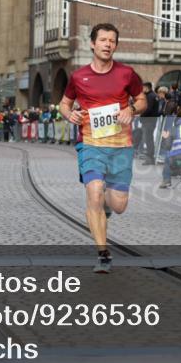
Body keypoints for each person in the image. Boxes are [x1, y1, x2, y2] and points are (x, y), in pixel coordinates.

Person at [59, 23, 146, 274]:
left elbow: (142, 100)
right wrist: (69, 115)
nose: (108, 44)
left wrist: (131, 109)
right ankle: (103, 253)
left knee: (118, 205)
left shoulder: (127, 74)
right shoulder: (78, 77)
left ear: (115, 45)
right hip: (91, 144)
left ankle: (106, 206)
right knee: (95, 190)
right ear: (92, 44)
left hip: (120, 146)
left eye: (112, 41)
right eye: (103, 40)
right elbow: (64, 104)